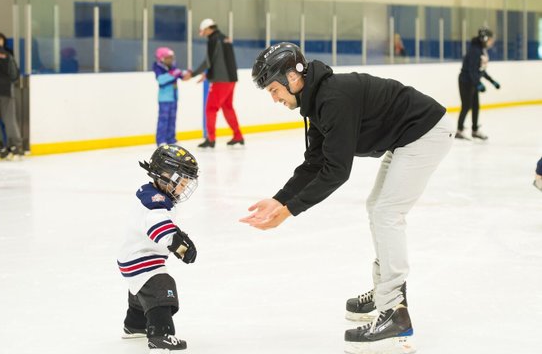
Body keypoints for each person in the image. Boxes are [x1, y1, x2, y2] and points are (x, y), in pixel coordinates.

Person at [241, 42, 454, 354]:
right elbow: (315, 162)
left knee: (386, 213)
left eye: (274, 89)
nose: (274, 99)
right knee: (378, 208)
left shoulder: (333, 98)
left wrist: (288, 212)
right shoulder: (316, 102)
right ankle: (387, 293)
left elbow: (337, 171)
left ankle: (394, 310)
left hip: (425, 134)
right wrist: (279, 199)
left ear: (294, 77)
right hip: (407, 138)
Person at [118, 144, 199, 351]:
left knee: (141, 290)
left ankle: (135, 324)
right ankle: (160, 334)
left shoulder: (151, 193)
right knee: (161, 286)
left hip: (132, 257)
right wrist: (180, 246)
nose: (183, 187)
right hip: (142, 259)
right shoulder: (155, 203)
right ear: (166, 176)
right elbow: (159, 228)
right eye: (181, 182)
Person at [190, 18, 244, 148]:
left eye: (203, 31)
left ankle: (211, 139)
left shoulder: (213, 40)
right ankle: (238, 136)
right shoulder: (224, 38)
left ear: (209, 29)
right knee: (227, 107)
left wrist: (193, 74)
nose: (203, 34)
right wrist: (208, 74)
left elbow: (208, 61)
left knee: (210, 108)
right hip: (231, 78)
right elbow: (220, 60)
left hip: (220, 80)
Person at [456, 27, 500, 140]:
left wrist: (492, 81)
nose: (492, 42)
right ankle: (459, 130)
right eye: (490, 39)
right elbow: (471, 70)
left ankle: (475, 130)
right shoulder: (475, 51)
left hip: (473, 82)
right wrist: (478, 84)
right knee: (466, 106)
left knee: (475, 106)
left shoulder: (481, 50)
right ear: (485, 39)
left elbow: (480, 69)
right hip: (466, 81)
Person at [152, 47, 189, 146]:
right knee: (163, 120)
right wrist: (173, 74)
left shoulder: (173, 67)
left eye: (172, 57)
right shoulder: (158, 67)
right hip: (164, 99)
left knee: (172, 119)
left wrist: (187, 74)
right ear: (162, 58)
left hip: (174, 98)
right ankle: (161, 140)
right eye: (169, 58)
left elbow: (182, 76)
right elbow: (161, 80)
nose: (171, 60)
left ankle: (171, 138)